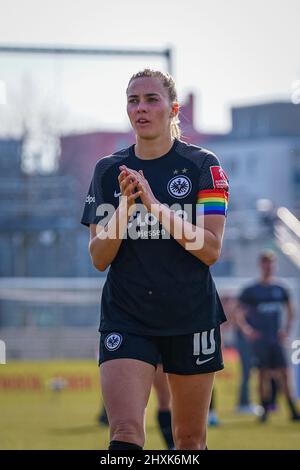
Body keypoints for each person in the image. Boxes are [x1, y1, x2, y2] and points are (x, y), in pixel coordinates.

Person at [80, 68, 229, 450]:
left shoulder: (202, 166)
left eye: (151, 100)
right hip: (126, 316)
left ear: (173, 109)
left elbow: (211, 249)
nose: (141, 108)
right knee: (125, 434)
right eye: (133, 100)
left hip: (190, 315)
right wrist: (126, 207)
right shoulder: (109, 170)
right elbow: (99, 257)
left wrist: (156, 206)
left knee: (189, 441)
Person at [236, 250, 300, 423]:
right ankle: (265, 410)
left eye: (271, 263)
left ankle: (292, 410)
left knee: (285, 374)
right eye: (265, 263)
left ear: (275, 265)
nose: (268, 267)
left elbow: (291, 310)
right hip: (260, 340)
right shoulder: (251, 290)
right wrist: (246, 329)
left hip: (276, 339)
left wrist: (286, 329)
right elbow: (238, 311)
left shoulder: (281, 288)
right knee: (263, 375)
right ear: (260, 266)